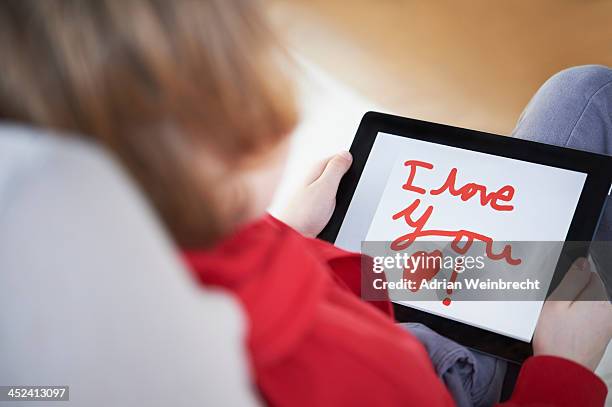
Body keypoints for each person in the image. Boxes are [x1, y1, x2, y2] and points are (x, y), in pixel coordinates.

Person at [0, 1, 610, 406]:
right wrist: (564, 371)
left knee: (582, 93)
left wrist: (283, 232)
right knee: (591, 219)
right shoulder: (353, 381)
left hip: (356, 284)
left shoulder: (84, 262)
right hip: (443, 373)